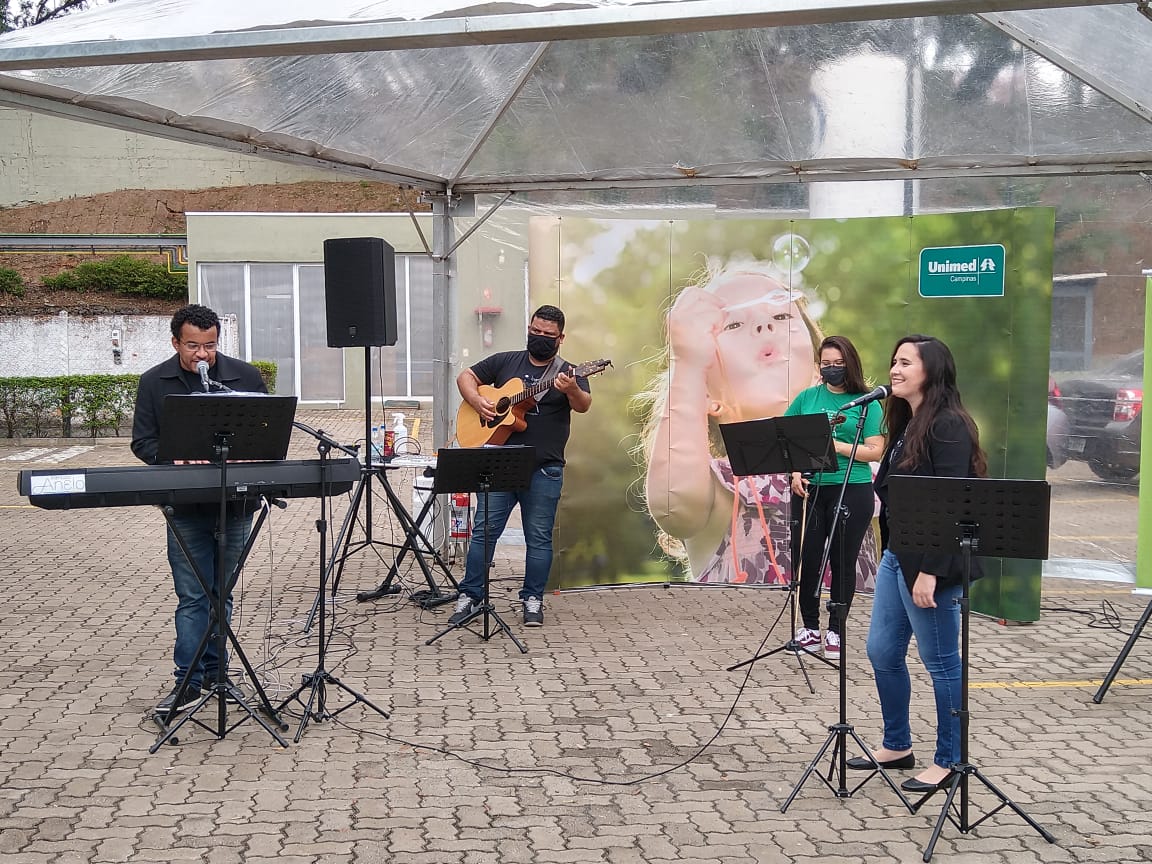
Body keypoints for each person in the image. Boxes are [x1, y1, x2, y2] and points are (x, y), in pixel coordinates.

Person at [641, 258, 866, 585]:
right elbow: (674, 508)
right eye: (733, 325)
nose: (765, 327)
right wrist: (687, 365)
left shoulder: (863, 469)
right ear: (704, 395)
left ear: (819, 368)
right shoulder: (718, 489)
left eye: (780, 315)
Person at [848, 334, 988, 794]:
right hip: (896, 557)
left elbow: (954, 503)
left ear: (933, 369)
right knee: (883, 652)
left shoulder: (948, 425)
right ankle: (896, 745)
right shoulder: (908, 422)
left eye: (905, 362)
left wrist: (931, 569)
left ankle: (950, 760)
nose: (894, 369)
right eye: (893, 361)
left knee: (941, 662)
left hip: (931, 565)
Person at [131, 304, 267, 714]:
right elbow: (143, 442)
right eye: (193, 346)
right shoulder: (154, 382)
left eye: (210, 346)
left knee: (221, 594)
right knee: (193, 596)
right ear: (175, 342)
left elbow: (265, 434)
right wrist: (177, 458)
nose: (202, 355)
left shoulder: (244, 378)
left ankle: (217, 673)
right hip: (185, 507)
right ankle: (187, 681)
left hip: (236, 505)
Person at [450, 304, 593, 627]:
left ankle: (532, 599)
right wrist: (478, 402)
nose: (540, 337)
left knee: (538, 538)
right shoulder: (506, 361)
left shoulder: (568, 371)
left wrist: (571, 389)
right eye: (535, 331)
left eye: (548, 335)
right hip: (498, 464)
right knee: (484, 533)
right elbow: (466, 376)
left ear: (561, 338)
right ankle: (470, 595)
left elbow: (584, 406)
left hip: (544, 468)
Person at [784, 336, 885, 660]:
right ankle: (810, 628)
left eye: (838, 364)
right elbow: (786, 437)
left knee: (842, 562)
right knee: (810, 559)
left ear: (850, 364)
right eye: (826, 363)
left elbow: (876, 449)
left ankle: (836, 631)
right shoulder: (807, 399)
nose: (831, 369)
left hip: (852, 489)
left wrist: (838, 447)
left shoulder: (865, 403)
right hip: (816, 489)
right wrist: (796, 471)